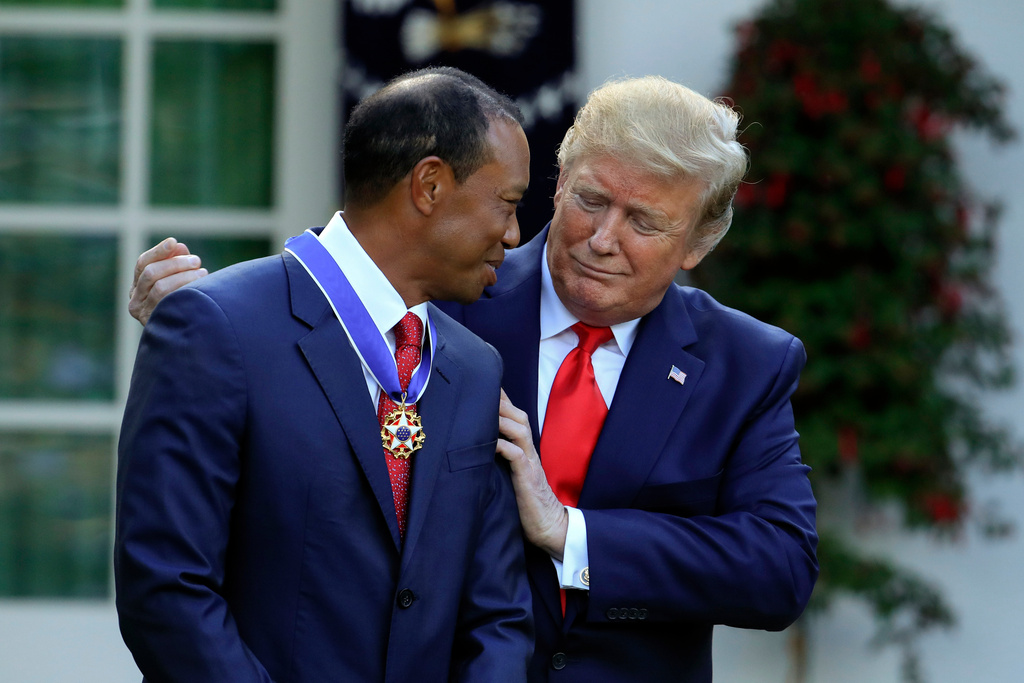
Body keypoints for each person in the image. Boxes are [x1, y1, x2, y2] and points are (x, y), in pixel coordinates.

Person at [129, 76, 818, 682]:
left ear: (698, 243)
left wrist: (571, 532)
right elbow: (340, 283)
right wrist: (199, 319)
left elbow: (781, 568)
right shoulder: (446, 293)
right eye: (591, 199)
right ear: (559, 179)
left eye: (644, 221)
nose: (603, 238)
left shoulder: (746, 363)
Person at [115, 67, 534, 683]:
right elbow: (167, 588)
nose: (513, 234)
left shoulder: (473, 367)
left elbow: (497, 615)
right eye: (508, 203)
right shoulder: (217, 327)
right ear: (430, 185)